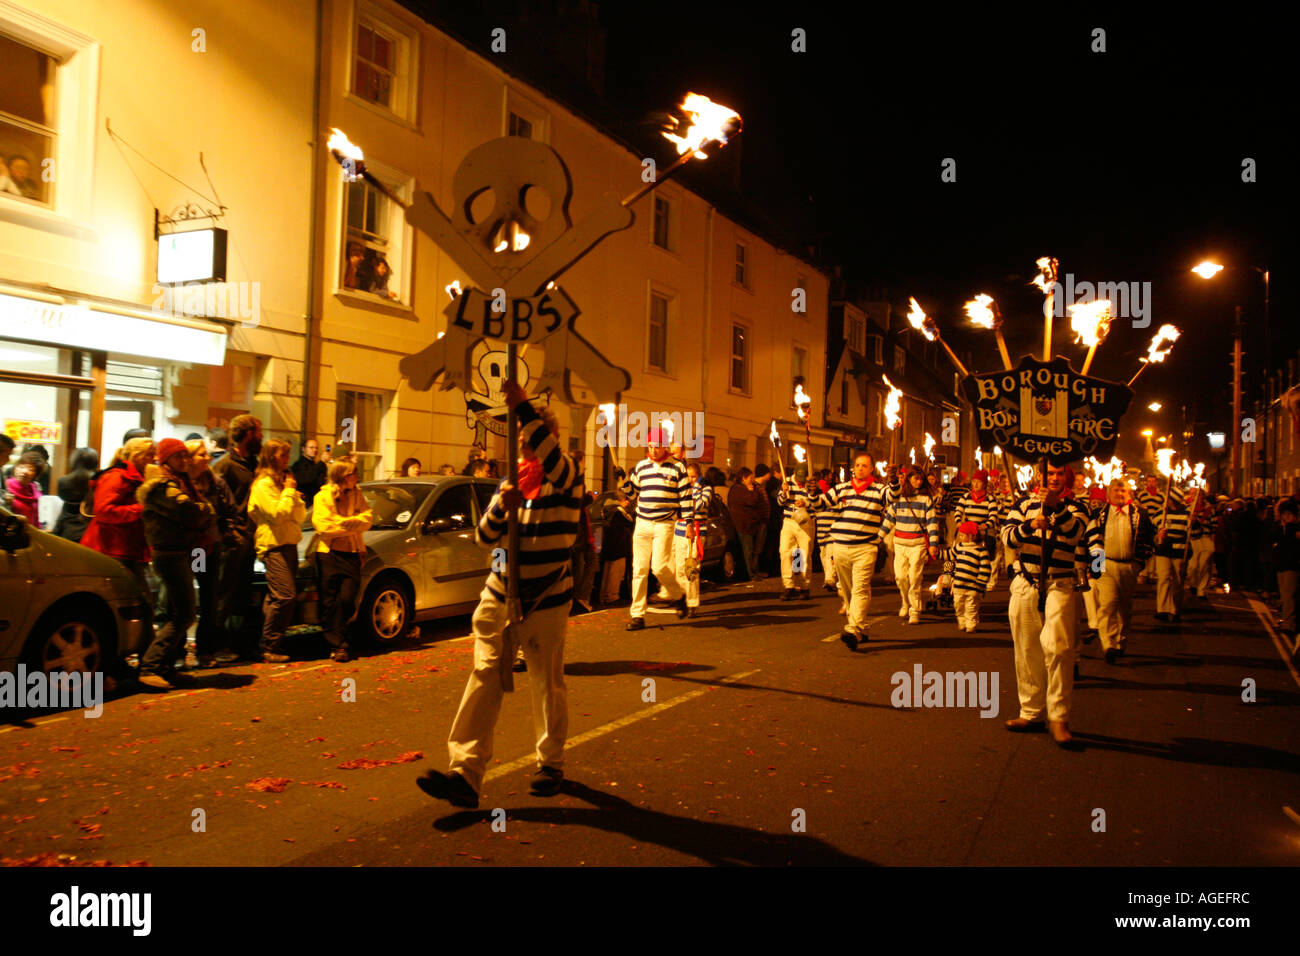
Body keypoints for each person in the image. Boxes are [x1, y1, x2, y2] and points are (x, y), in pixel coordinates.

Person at [418, 380, 583, 807]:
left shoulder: (568, 476)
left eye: (530, 439)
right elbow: (484, 537)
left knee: (546, 680)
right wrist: (499, 507)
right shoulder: (510, 482)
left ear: (545, 439)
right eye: (521, 440)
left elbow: (551, 457)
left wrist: (524, 406)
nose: (525, 448)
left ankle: (551, 762)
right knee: (485, 674)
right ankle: (465, 773)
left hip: (547, 596)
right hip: (500, 591)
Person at [1001, 462, 1090, 747]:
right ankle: (1029, 710)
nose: (1054, 478)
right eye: (1049, 473)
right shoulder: (1023, 504)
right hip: (1026, 581)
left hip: (1060, 582)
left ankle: (1059, 717)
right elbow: (1008, 537)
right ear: (1040, 475)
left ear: (1067, 478)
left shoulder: (1077, 507)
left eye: (1059, 473)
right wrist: (1030, 525)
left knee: (1059, 648)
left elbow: (1076, 533)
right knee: (1027, 650)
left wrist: (1057, 508)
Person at [136, 439, 215, 689]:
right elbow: (189, 511)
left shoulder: (181, 482)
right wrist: (206, 509)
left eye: (185, 455)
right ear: (165, 459)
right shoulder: (161, 485)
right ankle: (150, 666)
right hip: (168, 554)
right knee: (185, 614)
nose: (184, 460)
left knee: (175, 612)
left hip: (182, 552)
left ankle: (166, 668)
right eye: (178, 456)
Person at [816, 452, 894, 648]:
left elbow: (894, 497)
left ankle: (853, 629)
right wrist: (811, 493)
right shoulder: (842, 488)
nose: (860, 468)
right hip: (840, 545)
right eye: (857, 465)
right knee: (848, 590)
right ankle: (861, 627)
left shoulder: (879, 490)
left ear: (872, 469)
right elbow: (820, 504)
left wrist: (893, 480)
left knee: (859, 588)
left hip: (865, 547)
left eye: (864, 465)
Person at [621, 429, 688, 629]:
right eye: (650, 446)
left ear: (664, 446)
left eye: (657, 446)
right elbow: (632, 494)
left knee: (658, 566)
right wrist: (623, 480)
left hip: (664, 523)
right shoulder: (641, 467)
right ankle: (637, 614)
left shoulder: (677, 468)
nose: (653, 450)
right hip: (642, 522)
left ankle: (678, 595)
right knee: (639, 569)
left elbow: (686, 498)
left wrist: (689, 523)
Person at [248, 438, 305, 662]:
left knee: (276, 597)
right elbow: (277, 515)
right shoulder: (263, 485)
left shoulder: (282, 484)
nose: (286, 460)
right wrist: (290, 494)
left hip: (289, 542)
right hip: (273, 545)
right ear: (271, 457)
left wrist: (292, 496)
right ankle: (269, 644)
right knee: (285, 594)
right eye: (282, 455)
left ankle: (269, 642)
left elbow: (298, 516)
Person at [1086, 477, 1155, 663]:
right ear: (1109, 494)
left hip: (1129, 565)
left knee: (1124, 607)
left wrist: (1139, 563)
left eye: (1123, 491)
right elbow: (1093, 538)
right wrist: (1095, 568)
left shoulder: (1140, 514)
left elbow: (1149, 538)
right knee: (1107, 604)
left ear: (1129, 493)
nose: (1119, 494)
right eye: (1116, 491)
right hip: (1106, 563)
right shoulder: (1100, 513)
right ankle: (1107, 644)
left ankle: (1120, 642)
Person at [211, 414, 263, 660]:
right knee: (225, 593)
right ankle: (216, 645)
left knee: (243, 593)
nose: (261, 436)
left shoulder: (255, 463)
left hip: (251, 537)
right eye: (258, 431)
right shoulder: (225, 465)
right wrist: (229, 532)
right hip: (233, 539)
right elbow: (215, 501)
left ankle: (239, 643)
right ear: (247, 434)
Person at [185, 439, 239, 667]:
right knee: (184, 599)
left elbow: (230, 510)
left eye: (206, 454)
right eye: (200, 455)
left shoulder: (216, 483)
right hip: (190, 547)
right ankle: (177, 652)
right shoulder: (182, 482)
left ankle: (205, 650)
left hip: (209, 547)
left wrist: (225, 534)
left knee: (209, 598)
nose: (207, 458)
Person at [312, 459, 373, 662]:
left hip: (352, 554)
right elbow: (324, 527)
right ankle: (337, 645)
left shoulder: (357, 494)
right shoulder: (323, 496)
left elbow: (368, 519)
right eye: (352, 473)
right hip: (329, 554)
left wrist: (344, 524)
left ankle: (340, 637)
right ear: (341, 475)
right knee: (330, 601)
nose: (356, 476)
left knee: (347, 599)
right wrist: (353, 523)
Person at [81, 438, 155, 601]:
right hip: (111, 549)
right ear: (136, 456)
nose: (154, 459)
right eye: (150, 455)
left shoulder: (137, 477)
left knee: (137, 603)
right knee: (131, 602)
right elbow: (104, 511)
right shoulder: (117, 477)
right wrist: (141, 509)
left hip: (125, 550)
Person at [882, 465, 939, 625]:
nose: (919, 481)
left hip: (918, 544)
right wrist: (878, 537)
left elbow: (932, 523)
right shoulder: (899, 498)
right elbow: (889, 519)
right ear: (909, 479)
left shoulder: (926, 499)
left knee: (914, 577)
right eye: (916, 478)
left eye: (921, 479)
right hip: (900, 544)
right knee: (900, 577)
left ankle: (914, 609)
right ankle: (905, 602)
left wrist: (933, 543)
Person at [674, 461, 712, 617]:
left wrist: (695, 488)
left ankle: (692, 603)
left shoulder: (706, 489)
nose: (690, 480)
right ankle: (682, 597)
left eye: (693, 477)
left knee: (692, 569)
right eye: (688, 477)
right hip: (680, 530)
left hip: (696, 530)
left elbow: (698, 506)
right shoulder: (680, 490)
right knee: (679, 570)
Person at [776, 465, 816, 600]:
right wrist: (783, 492)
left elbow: (817, 504)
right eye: (799, 480)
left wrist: (805, 503)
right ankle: (789, 585)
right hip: (789, 521)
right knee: (785, 551)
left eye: (803, 480)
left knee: (804, 554)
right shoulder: (787, 482)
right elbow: (780, 502)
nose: (801, 483)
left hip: (806, 522)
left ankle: (805, 586)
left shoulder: (811, 484)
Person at [944, 521, 992, 633]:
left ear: (971, 536)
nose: (960, 538)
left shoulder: (981, 551)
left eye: (962, 535)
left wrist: (981, 583)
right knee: (958, 604)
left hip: (973, 585)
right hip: (959, 584)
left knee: (971, 606)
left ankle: (971, 623)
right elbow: (949, 555)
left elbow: (985, 569)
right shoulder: (959, 547)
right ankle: (962, 620)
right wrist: (937, 553)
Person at [1153, 495, 1191, 624]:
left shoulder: (1187, 513)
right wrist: (1158, 535)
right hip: (1163, 550)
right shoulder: (1161, 512)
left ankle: (1175, 610)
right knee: (1163, 578)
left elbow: (1195, 533)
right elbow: (1153, 530)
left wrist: (1194, 523)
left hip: (1179, 551)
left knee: (1178, 581)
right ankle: (1162, 609)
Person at [726, 467, 767, 580]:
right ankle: (751, 574)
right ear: (744, 478)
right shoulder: (741, 490)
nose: (753, 480)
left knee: (749, 550)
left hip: (745, 524)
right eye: (750, 478)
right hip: (744, 525)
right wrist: (751, 491)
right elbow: (752, 501)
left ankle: (752, 572)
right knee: (747, 550)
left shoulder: (736, 489)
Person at [52, 447, 100, 543]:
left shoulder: (63, 481)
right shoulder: (98, 480)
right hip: (90, 528)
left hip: (67, 528)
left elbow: (62, 498)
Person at [600, 488, 635, 605]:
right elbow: (628, 526)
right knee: (616, 572)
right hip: (619, 547)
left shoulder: (608, 510)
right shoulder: (620, 513)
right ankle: (612, 596)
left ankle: (605, 595)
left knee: (608, 572)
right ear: (624, 500)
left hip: (610, 546)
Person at [1273, 500, 1300, 642]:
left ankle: (1289, 624)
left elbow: (1292, 544)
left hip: (1292, 565)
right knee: (1284, 595)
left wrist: (1289, 527)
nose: (1286, 517)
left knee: (1289, 595)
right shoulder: (1280, 528)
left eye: (1288, 515)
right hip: (1282, 564)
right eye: (1284, 514)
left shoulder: (1294, 528)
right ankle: (1286, 620)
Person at [1185, 487, 1216, 599]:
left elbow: (1214, 527)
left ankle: (1201, 590)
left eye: (1198, 494)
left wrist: (1212, 542)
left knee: (1204, 565)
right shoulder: (1188, 509)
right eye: (1193, 494)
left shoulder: (1210, 510)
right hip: (1194, 540)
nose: (1196, 496)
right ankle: (1193, 583)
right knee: (1193, 566)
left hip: (1206, 539)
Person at [5, 451, 44, 527]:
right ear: (15, 468)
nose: (24, 471)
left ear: (36, 474)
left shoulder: (35, 490)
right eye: (21, 467)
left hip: (31, 534)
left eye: (31, 469)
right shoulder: (6, 487)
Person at [291, 438, 329, 508]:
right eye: (311, 447)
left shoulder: (315, 464)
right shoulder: (298, 465)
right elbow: (305, 479)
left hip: (317, 502)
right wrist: (321, 462)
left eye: (316, 448)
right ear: (303, 449)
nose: (314, 450)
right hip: (306, 504)